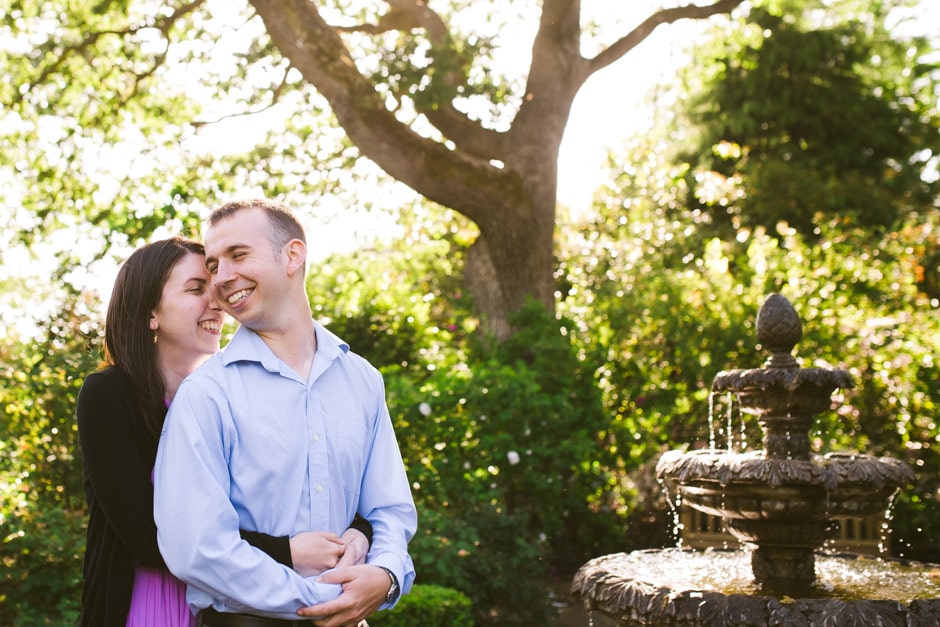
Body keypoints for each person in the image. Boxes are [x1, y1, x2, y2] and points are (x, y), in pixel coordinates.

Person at [77, 237, 372, 627]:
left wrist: (360, 531)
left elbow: (308, 486)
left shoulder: (237, 392)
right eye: (196, 289)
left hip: (245, 603)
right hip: (151, 605)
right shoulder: (108, 395)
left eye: (215, 288)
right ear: (151, 312)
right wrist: (286, 551)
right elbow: (148, 537)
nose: (216, 301)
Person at [154, 199, 417, 627]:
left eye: (239, 255)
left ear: (292, 255)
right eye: (215, 264)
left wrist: (385, 575)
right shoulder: (206, 394)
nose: (223, 277)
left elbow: (388, 510)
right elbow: (195, 547)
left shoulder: (362, 379)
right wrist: (327, 596)